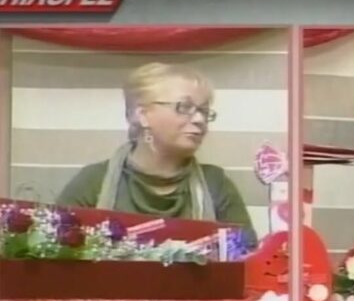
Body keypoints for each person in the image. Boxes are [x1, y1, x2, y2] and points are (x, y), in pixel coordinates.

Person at [57, 62, 257, 247]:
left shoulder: (216, 184)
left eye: (203, 111)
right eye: (184, 107)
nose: (199, 120)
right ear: (142, 115)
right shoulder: (93, 182)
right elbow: (56, 256)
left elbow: (247, 260)